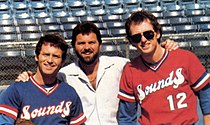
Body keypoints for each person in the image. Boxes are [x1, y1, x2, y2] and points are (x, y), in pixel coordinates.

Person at [15, 22, 178, 125]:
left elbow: (148, 62)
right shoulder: (63, 74)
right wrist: (27, 75)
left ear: (100, 45)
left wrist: (165, 47)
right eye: (81, 43)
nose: (87, 47)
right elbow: (41, 81)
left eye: (91, 42)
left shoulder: (119, 65)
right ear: (74, 46)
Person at [117, 10, 210, 125]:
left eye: (148, 34)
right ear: (131, 42)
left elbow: (208, 102)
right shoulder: (130, 70)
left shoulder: (185, 58)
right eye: (136, 37)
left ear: (157, 33)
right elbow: (126, 118)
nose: (143, 40)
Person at [0, 34, 86, 125]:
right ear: (37, 57)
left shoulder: (69, 93)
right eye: (46, 54)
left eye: (56, 56)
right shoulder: (16, 90)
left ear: (63, 62)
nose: (50, 60)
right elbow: (4, 122)